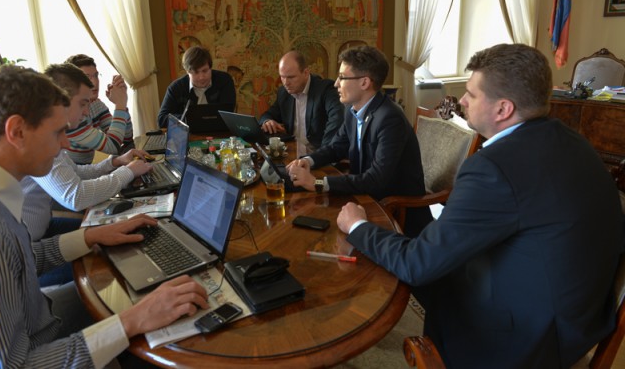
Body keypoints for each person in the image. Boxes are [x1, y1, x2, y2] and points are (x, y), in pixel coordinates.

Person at [336, 44, 625, 368]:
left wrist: (358, 226)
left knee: (412, 274)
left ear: (503, 109)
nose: (461, 101)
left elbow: (417, 264)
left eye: (472, 94)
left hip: (526, 340)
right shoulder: (573, 140)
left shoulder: (493, 167)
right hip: (578, 317)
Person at [0, 65, 209, 367]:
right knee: (157, 331)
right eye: (58, 132)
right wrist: (130, 321)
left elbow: (26, 260)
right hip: (41, 342)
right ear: (17, 131)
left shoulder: (1, 195)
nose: (66, 144)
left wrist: (92, 235)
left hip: (38, 315)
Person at [288, 46, 432, 237]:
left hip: (395, 214)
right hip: (363, 199)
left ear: (364, 82)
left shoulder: (390, 119)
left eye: (342, 77)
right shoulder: (352, 109)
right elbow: (336, 147)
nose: (336, 84)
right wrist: (308, 161)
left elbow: (377, 179)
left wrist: (318, 183)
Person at [21, 63, 152, 242]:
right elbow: (76, 197)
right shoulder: (38, 140)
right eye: (83, 104)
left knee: (125, 228)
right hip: (31, 242)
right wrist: (128, 172)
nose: (86, 111)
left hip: (45, 227)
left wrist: (114, 162)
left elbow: (77, 172)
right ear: (62, 101)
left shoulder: (52, 131)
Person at [259, 50, 344, 155]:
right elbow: (268, 114)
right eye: (282, 77)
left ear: (306, 73)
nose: (286, 83)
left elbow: (337, 121)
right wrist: (267, 121)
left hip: (319, 153)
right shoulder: (283, 93)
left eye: (291, 77)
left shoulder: (326, 89)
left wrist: (321, 156)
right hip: (292, 151)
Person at [65, 54, 133, 165]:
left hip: (86, 169)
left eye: (96, 76)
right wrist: (120, 104)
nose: (95, 82)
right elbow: (113, 147)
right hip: (72, 172)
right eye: (87, 77)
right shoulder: (73, 115)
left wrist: (122, 103)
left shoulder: (96, 104)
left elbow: (126, 138)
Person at [158, 45, 236, 128]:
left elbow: (228, 114)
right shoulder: (176, 88)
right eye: (195, 72)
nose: (201, 77)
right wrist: (189, 118)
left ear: (210, 67)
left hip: (219, 132)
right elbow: (162, 119)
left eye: (205, 71)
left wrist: (197, 117)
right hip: (188, 133)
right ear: (187, 71)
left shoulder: (224, 80)